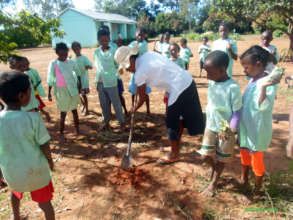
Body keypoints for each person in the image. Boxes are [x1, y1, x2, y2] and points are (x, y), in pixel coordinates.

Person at [114, 46, 204, 164]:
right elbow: (167, 70)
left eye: (126, 67)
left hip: (179, 87)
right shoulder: (148, 55)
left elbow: (142, 98)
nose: (127, 70)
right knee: (179, 118)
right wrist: (168, 90)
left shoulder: (140, 72)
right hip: (186, 81)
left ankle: (174, 154)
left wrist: (133, 109)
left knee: (171, 121)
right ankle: (175, 146)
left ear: (131, 59)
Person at [0, 72, 55, 220]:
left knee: (15, 193)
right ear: (22, 96)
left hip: (13, 174)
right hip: (36, 173)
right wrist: (50, 161)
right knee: (45, 204)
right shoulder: (33, 118)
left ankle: (16, 216)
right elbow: (44, 144)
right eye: (30, 91)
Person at [197, 51, 242, 197]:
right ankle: (214, 167)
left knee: (222, 157)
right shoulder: (212, 82)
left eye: (210, 72)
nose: (207, 76)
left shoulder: (233, 87)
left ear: (223, 70)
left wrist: (230, 130)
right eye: (206, 72)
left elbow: (237, 112)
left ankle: (214, 183)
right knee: (204, 155)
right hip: (211, 125)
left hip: (225, 128)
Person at [239, 45, 281, 200]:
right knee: (244, 153)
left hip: (257, 130)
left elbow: (264, 107)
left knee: (256, 159)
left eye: (246, 67)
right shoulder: (252, 80)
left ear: (258, 65)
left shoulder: (267, 83)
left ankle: (257, 189)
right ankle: (244, 178)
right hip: (246, 128)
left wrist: (263, 87)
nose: (244, 70)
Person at [47, 42, 82, 143]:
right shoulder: (54, 63)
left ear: (67, 52)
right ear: (57, 53)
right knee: (63, 113)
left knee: (75, 111)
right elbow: (50, 78)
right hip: (61, 91)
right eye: (61, 54)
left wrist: (79, 84)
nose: (64, 56)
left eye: (65, 54)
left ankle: (77, 129)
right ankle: (61, 134)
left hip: (72, 89)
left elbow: (78, 72)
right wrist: (49, 93)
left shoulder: (70, 62)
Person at [94, 29, 125, 131]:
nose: (104, 42)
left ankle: (122, 122)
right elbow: (97, 66)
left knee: (116, 103)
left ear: (109, 39)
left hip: (112, 81)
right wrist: (97, 81)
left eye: (106, 40)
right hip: (101, 82)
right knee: (104, 104)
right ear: (98, 40)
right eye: (102, 40)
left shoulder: (113, 50)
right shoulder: (96, 52)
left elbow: (118, 63)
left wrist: (120, 69)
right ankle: (106, 121)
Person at [128, 27, 151, 114]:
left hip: (144, 72)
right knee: (133, 91)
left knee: (145, 92)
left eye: (142, 35)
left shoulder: (144, 44)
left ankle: (148, 109)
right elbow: (129, 50)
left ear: (145, 36)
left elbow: (135, 51)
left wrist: (131, 51)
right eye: (139, 35)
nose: (140, 37)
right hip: (135, 71)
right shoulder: (133, 43)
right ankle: (133, 106)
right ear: (135, 35)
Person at [21, 57, 51, 122]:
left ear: (28, 63)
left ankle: (45, 114)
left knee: (37, 103)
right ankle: (43, 114)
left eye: (26, 63)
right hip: (28, 92)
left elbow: (39, 80)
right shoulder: (22, 72)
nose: (24, 65)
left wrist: (35, 86)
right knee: (34, 104)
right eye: (23, 64)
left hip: (34, 91)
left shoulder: (33, 71)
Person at [71, 41, 93, 116]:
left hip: (83, 80)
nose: (76, 50)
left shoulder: (84, 58)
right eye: (74, 49)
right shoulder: (73, 59)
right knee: (77, 94)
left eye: (77, 48)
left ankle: (87, 110)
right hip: (76, 80)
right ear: (73, 50)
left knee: (83, 95)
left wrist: (88, 66)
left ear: (80, 48)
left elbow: (91, 66)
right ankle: (83, 105)